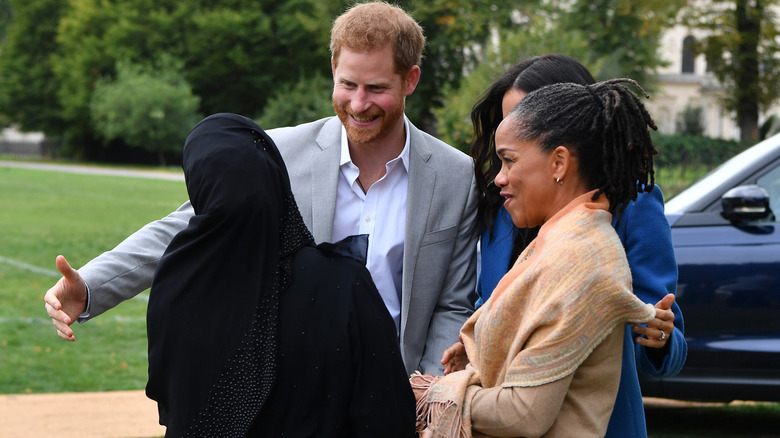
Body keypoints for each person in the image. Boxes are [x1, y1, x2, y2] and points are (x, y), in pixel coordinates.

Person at [44, 1, 478, 376]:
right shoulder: (279, 152)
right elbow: (184, 228)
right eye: (348, 84)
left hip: (397, 399)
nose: (359, 104)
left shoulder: (456, 175)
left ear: (411, 80)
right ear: (333, 69)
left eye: (377, 88)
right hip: (292, 399)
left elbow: (451, 305)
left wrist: (426, 394)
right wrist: (90, 286)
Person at [411, 79, 664, 437]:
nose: (498, 178)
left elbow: (523, 413)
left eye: (508, 160)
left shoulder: (581, 258)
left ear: (559, 162)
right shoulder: (561, 237)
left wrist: (431, 394)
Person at [145, 113, 416, 437]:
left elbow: (170, 401)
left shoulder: (177, 288)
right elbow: (387, 414)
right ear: (275, 177)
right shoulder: (344, 285)